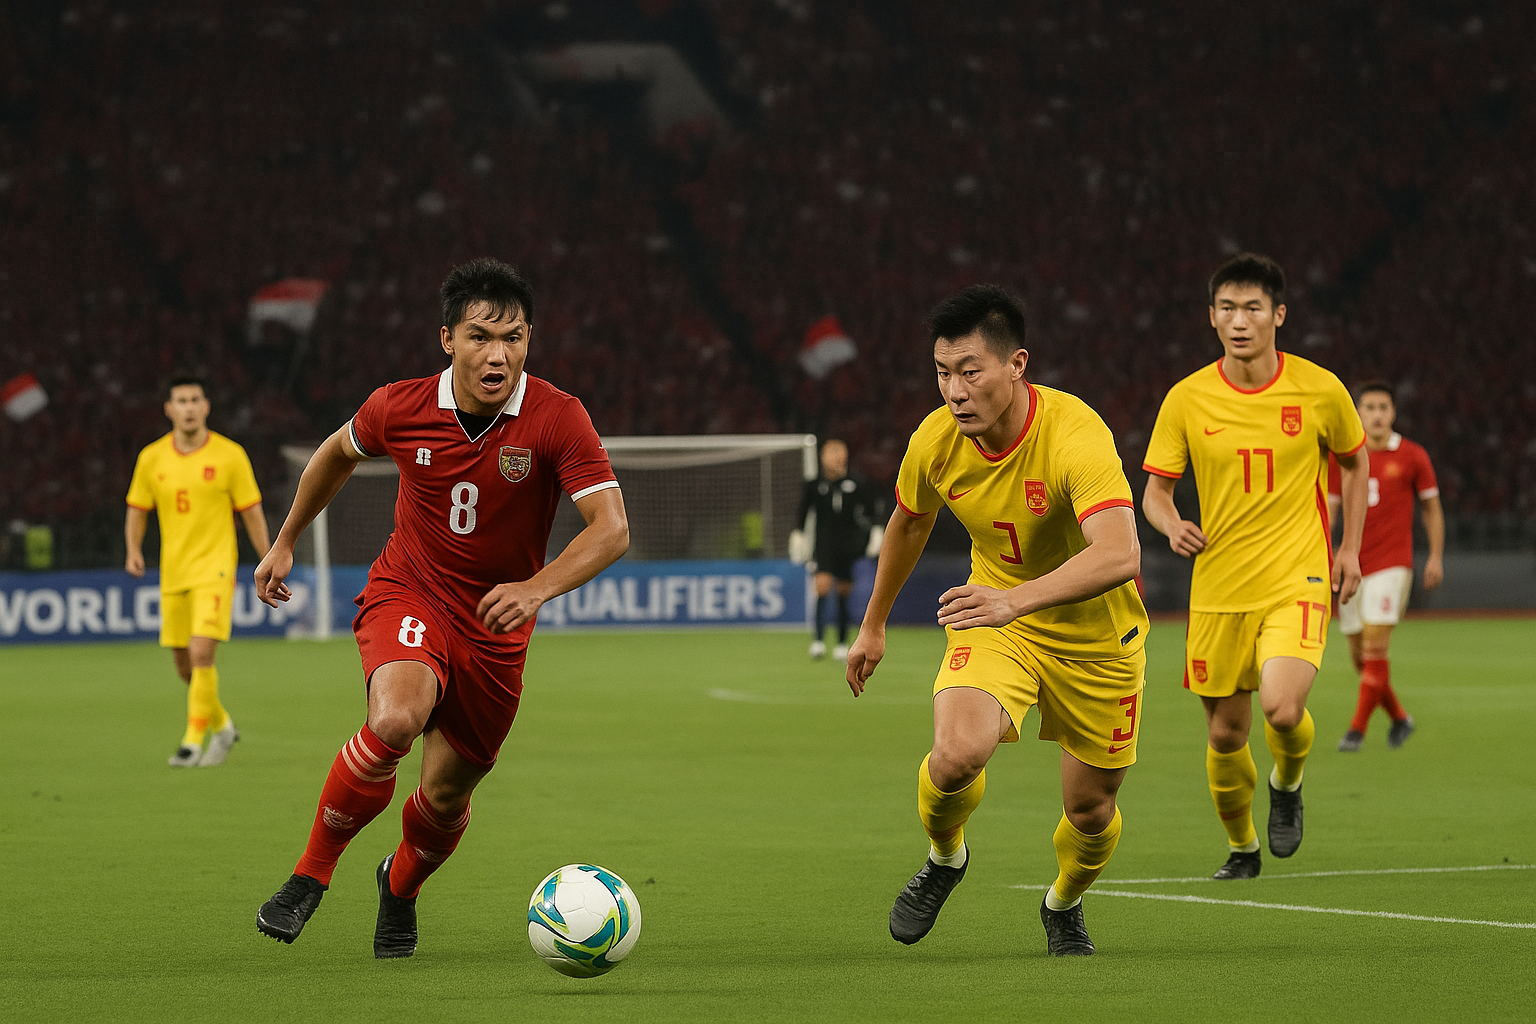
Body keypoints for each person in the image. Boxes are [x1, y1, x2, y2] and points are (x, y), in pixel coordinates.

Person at [253, 258, 629, 958]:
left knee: (446, 797)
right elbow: (336, 453)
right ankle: (309, 875)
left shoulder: (557, 415)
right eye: (482, 336)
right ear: (447, 340)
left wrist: (536, 587)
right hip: (411, 590)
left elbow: (612, 528)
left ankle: (398, 887)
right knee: (396, 718)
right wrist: (285, 541)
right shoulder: (397, 406)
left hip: (495, 628)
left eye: (514, 338)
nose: (500, 354)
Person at [847, 285, 1148, 957]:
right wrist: (873, 624)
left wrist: (1017, 598)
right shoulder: (935, 440)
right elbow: (909, 520)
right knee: (954, 757)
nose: (954, 390)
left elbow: (1121, 553)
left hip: (1098, 641)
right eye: (942, 372)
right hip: (996, 619)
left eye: (969, 371)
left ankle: (1062, 903)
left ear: (1016, 365)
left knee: (1090, 812)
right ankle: (945, 858)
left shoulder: (1075, 434)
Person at [1141, 253, 1368, 880]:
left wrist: (1348, 548)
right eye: (1228, 308)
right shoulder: (1187, 398)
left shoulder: (1320, 389)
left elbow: (1354, 461)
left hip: (1297, 576)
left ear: (1279, 315)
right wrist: (1170, 523)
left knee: (1283, 710)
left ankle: (1287, 783)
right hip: (1217, 589)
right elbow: (1155, 491)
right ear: (1212, 317)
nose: (1240, 321)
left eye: (1253, 308)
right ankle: (1242, 847)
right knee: (1224, 736)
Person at [125, 376, 270, 767]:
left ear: (206, 406)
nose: (188, 407)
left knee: (202, 653)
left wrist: (268, 558)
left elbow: (251, 512)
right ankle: (222, 726)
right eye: (180, 401)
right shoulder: (151, 458)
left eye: (194, 399)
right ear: (168, 410)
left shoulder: (230, 455)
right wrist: (133, 549)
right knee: (184, 667)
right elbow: (137, 509)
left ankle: (191, 743)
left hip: (215, 570)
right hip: (173, 573)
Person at [1328, 381, 1444, 752]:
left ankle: (1355, 732)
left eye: (1383, 407)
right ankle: (1399, 718)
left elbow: (1431, 509)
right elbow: (1329, 510)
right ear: (1358, 413)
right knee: (1360, 658)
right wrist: (1323, 553)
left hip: (1393, 565)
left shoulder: (1412, 455)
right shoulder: (1342, 456)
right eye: (1370, 407)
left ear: (1393, 413)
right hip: (1350, 564)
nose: (1377, 414)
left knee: (1376, 648)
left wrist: (1436, 556)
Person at [792, 438, 879, 660]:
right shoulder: (814, 485)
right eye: (832, 452)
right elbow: (803, 512)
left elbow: (871, 510)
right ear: (823, 457)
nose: (837, 456)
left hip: (848, 546)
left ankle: (842, 642)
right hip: (823, 545)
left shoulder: (856, 483)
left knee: (843, 593)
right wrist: (799, 535)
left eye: (840, 451)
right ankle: (818, 641)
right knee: (821, 588)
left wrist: (876, 532)